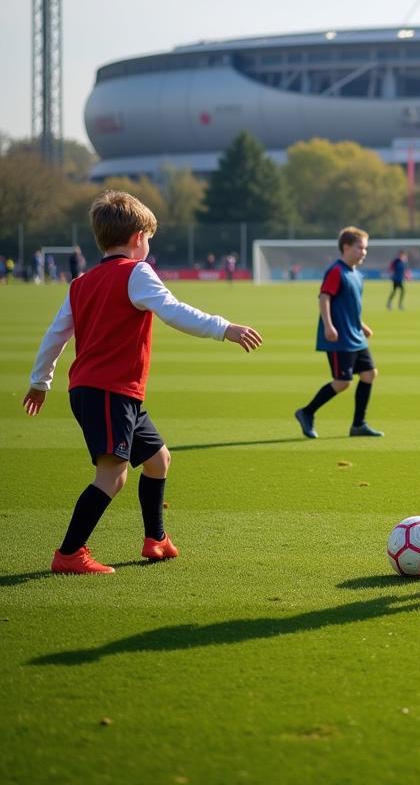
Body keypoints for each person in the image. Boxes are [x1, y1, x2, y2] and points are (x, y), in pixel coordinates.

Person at [22, 190, 262, 575]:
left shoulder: (81, 282)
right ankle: (69, 554)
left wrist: (40, 381)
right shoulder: (136, 272)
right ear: (137, 238)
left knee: (158, 459)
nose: (149, 246)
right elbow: (174, 311)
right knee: (112, 475)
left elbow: (55, 334)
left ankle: (156, 540)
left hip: (106, 392)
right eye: (149, 238)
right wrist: (224, 328)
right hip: (108, 391)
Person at [295, 227, 384, 440]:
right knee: (342, 382)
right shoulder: (336, 270)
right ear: (346, 247)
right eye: (360, 247)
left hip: (355, 335)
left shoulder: (357, 275)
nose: (364, 252)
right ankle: (306, 412)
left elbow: (348, 306)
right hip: (339, 338)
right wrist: (328, 326)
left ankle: (358, 425)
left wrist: (361, 325)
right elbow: (324, 298)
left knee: (369, 374)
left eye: (366, 248)